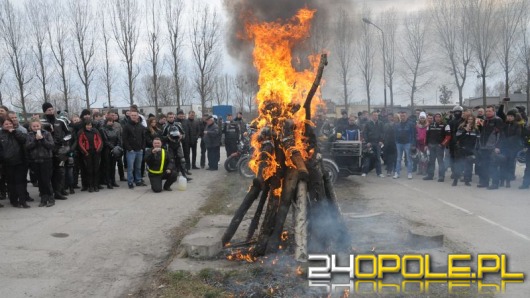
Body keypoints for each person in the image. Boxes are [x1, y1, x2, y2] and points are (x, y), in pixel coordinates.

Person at [41, 102, 70, 201]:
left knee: (60, 172)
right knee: (48, 173)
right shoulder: (41, 122)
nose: (51, 111)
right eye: (48, 110)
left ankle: (58, 191)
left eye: (52, 109)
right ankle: (47, 193)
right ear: (44, 111)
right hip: (46, 151)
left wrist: (64, 140)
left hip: (59, 150)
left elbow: (69, 134)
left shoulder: (61, 121)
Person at [0, 118, 29, 208]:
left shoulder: (17, 132)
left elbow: (24, 140)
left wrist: (14, 132)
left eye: (10, 124)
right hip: (7, 163)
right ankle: (13, 200)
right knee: (11, 183)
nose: (8, 125)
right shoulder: (1, 135)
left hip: (20, 161)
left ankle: (22, 200)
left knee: (20, 182)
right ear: (2, 125)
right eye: (6, 124)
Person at [26, 119, 55, 207]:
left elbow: (51, 145)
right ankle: (43, 197)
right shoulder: (29, 135)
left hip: (46, 160)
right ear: (31, 127)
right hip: (35, 160)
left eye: (37, 126)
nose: (36, 128)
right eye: (33, 126)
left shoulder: (46, 133)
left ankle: (51, 197)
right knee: (40, 181)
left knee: (46, 180)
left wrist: (42, 139)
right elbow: (28, 146)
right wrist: (35, 140)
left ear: (40, 126)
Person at [476, 105, 504, 189]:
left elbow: (501, 135)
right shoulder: (484, 120)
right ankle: (485, 182)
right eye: (487, 111)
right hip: (483, 147)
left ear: (494, 111)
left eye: (489, 111)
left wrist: (498, 146)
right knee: (484, 165)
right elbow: (479, 132)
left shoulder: (498, 120)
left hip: (492, 147)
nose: (488, 112)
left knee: (493, 166)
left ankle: (495, 183)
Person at [123, 110, 147, 189]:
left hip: (139, 150)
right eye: (132, 115)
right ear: (130, 116)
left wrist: (142, 148)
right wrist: (129, 149)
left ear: (138, 116)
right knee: (130, 168)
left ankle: (138, 181)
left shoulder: (141, 126)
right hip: (131, 151)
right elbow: (124, 139)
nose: (134, 116)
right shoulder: (126, 126)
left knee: (138, 167)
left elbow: (144, 138)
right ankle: (130, 182)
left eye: (135, 115)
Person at [453, 115, 479, 186]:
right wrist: (465, 130)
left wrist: (476, 150)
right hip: (461, 149)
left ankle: (467, 180)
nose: (470, 121)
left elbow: (478, 140)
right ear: (466, 120)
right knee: (459, 165)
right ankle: (455, 180)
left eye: (471, 119)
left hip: (470, 150)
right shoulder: (461, 128)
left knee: (468, 166)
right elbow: (457, 137)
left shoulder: (476, 129)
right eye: (469, 119)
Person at [499, 109, 522, 188]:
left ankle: (508, 181)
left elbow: (517, 135)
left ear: (514, 117)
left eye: (511, 116)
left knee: (510, 165)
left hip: (512, 148)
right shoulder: (504, 124)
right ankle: (502, 180)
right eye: (508, 116)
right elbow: (501, 133)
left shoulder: (517, 125)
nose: (509, 117)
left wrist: (508, 140)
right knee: (502, 163)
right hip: (503, 147)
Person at [78, 121, 103, 192]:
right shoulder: (82, 133)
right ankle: (90, 186)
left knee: (96, 169)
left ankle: (96, 185)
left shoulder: (95, 132)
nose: (89, 126)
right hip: (87, 153)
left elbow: (100, 141)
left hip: (96, 152)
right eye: (87, 125)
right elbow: (80, 143)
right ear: (85, 126)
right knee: (89, 170)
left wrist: (98, 150)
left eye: (90, 125)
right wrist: (85, 152)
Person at [424, 113, 450, 182]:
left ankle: (441, 176)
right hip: (431, 146)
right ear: (434, 118)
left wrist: (442, 144)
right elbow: (427, 136)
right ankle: (430, 175)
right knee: (431, 161)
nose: (437, 118)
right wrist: (426, 145)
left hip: (439, 147)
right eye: (436, 117)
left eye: (439, 117)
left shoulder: (445, 125)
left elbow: (448, 136)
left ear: (441, 118)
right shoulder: (430, 125)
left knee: (440, 162)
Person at [100, 115, 122, 189]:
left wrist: (117, 147)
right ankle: (108, 182)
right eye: (109, 121)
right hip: (107, 150)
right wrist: (113, 148)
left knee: (113, 166)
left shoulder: (115, 130)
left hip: (115, 150)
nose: (110, 122)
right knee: (108, 166)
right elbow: (105, 141)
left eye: (112, 121)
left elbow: (119, 139)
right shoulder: (103, 129)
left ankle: (113, 181)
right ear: (106, 122)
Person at [362, 111, 385, 177]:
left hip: (378, 143)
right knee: (368, 158)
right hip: (370, 143)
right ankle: (365, 172)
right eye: (374, 115)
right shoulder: (368, 123)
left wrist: (381, 141)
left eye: (377, 115)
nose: (376, 116)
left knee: (378, 158)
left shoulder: (380, 123)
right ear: (372, 116)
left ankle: (379, 173)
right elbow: (365, 133)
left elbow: (383, 133)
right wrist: (367, 142)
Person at [394, 111, 416, 179]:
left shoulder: (411, 124)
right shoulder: (397, 124)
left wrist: (413, 144)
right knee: (398, 159)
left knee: (409, 159)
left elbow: (413, 134)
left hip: (408, 143)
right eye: (401, 116)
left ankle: (409, 173)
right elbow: (395, 134)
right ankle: (397, 173)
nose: (402, 117)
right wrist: (396, 141)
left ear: (406, 116)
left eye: (403, 116)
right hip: (399, 143)